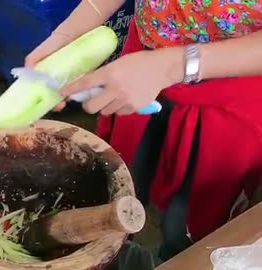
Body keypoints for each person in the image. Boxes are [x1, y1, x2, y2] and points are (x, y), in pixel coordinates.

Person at [25, 0, 262, 262]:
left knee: (187, 227)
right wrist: (66, 36)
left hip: (228, 102)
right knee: (120, 187)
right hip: (138, 69)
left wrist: (175, 65)